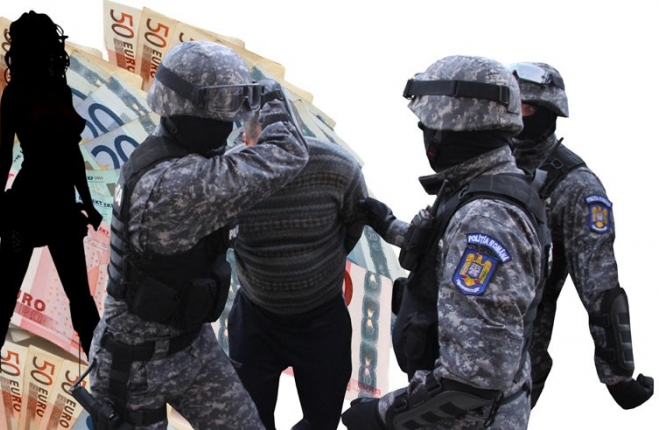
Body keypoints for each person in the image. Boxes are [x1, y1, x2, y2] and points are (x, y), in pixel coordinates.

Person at [87, 40, 309, 430]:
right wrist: (271, 100)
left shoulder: (178, 155)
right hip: (134, 368)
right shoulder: (178, 185)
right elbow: (289, 153)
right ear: (190, 112)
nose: (230, 121)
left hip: (191, 346)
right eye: (223, 109)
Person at [341, 55, 548, 429]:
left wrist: (383, 414)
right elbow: (445, 250)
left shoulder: (486, 222)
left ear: (456, 129)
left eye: (430, 125)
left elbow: (472, 379)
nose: (426, 133)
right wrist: (388, 225)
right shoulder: (481, 183)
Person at [0, 11, 103, 420]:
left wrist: (87, 200)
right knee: (9, 295)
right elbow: (6, 156)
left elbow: (70, 154)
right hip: (36, 204)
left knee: (75, 299)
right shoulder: (20, 94)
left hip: (52, 204)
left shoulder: (51, 91)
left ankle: (106, 380)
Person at [508, 61, 654, 409]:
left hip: (512, 364)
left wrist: (617, 375)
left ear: (548, 112)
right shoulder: (485, 163)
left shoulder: (575, 187)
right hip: (444, 351)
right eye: (509, 103)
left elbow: (599, 285)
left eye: (525, 107)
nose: (513, 114)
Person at [228, 105, 367, 430]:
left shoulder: (339, 167)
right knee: (247, 421)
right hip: (256, 317)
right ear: (246, 142)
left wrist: (312, 270)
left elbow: (353, 224)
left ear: (299, 137)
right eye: (268, 152)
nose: (280, 162)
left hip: (321, 320)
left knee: (322, 421)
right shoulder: (229, 173)